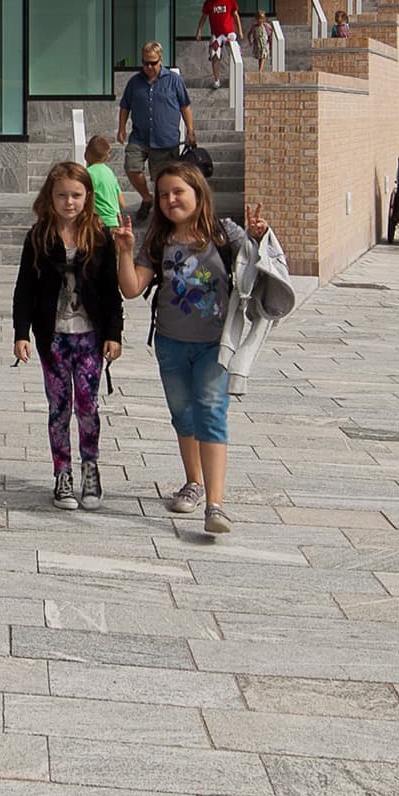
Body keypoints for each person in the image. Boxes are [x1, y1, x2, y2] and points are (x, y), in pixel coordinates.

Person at [112, 158, 270, 542]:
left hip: (216, 347)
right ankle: (192, 483)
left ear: (198, 193)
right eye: (164, 194)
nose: (170, 199)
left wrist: (259, 236)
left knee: (211, 414)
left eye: (178, 192)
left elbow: (258, 267)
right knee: (183, 415)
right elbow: (132, 289)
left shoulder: (224, 234)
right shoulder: (157, 240)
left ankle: (216, 504)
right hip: (170, 344)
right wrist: (124, 250)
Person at [11, 161, 124, 510]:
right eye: (62, 195)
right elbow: (24, 289)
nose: (69, 202)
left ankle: (91, 468)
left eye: (76, 195)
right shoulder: (39, 236)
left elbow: (110, 289)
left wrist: (114, 333)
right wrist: (21, 333)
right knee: (59, 407)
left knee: (88, 406)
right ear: (50, 197)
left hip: (89, 336)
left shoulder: (100, 236)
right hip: (53, 337)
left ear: (88, 196)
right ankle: (62, 473)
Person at [117, 40, 195, 197]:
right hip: (139, 137)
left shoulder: (174, 80)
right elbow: (125, 106)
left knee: (162, 179)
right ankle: (147, 198)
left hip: (165, 140)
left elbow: (185, 106)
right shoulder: (134, 82)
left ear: (160, 60)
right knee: (132, 167)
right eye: (145, 63)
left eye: (153, 63)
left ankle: (160, 209)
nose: (149, 67)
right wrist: (121, 128)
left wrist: (190, 130)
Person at [200, 0, 241, 88]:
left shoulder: (230, 1)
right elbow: (204, 17)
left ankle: (237, 76)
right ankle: (217, 80)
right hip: (216, 34)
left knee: (233, 49)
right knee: (214, 55)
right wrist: (199, 30)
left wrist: (240, 31)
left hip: (229, 33)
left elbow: (236, 16)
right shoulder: (209, 3)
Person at [83, 134, 127, 234]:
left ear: (87, 152)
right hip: (115, 223)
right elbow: (122, 203)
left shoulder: (88, 173)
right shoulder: (110, 172)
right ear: (106, 157)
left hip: (99, 224)